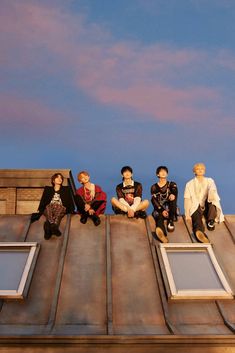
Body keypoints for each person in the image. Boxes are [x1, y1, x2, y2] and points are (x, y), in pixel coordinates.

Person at [184, 163, 224, 243]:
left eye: (202, 169)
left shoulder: (209, 180)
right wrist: (187, 214)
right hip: (196, 206)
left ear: (204, 171)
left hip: (207, 205)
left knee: (212, 200)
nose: (200, 170)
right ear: (194, 171)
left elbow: (212, 188)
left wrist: (211, 193)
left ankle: (210, 221)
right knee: (196, 218)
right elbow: (187, 199)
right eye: (198, 169)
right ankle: (200, 234)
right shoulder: (189, 184)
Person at [31, 173, 75, 240]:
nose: (60, 179)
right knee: (49, 208)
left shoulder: (66, 189)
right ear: (53, 180)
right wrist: (41, 210)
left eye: (61, 178)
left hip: (60, 207)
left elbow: (69, 201)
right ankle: (54, 226)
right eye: (57, 177)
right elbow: (43, 200)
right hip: (49, 208)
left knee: (59, 208)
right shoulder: (48, 189)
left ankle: (48, 228)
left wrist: (71, 210)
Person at [151, 166, 178, 243]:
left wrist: (173, 194)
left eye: (165, 171)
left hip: (171, 207)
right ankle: (162, 235)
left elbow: (175, 191)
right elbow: (154, 200)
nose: (163, 173)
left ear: (167, 174)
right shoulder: (154, 187)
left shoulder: (172, 184)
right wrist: (162, 210)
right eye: (161, 171)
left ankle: (170, 221)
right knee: (159, 217)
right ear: (157, 174)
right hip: (160, 208)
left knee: (173, 197)